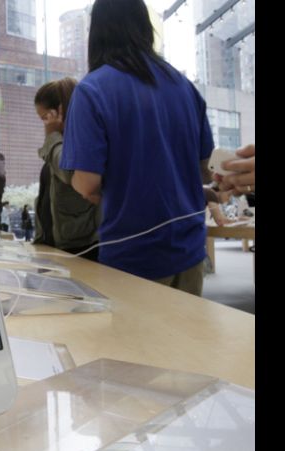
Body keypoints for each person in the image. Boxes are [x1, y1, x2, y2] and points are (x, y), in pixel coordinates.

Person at [60, 0, 213, 296]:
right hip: (190, 249)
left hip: (132, 256)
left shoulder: (92, 89)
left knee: (135, 329)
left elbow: (87, 183)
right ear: (145, 26)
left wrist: (90, 189)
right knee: (187, 327)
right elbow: (204, 169)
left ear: (97, 31)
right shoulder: (185, 86)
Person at [34, 78, 101, 260]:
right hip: (57, 244)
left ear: (58, 112)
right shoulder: (59, 144)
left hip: (80, 247)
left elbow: (69, 171)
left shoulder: (78, 143)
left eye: (44, 118)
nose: (44, 125)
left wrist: (52, 136)